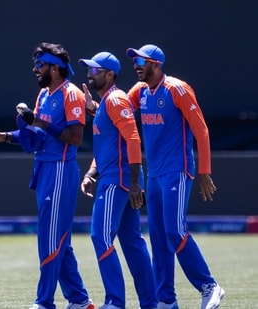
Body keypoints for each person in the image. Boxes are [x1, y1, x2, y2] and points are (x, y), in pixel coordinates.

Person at [0, 42, 94, 309]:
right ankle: (79, 300)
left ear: (56, 69)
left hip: (59, 170)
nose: (35, 69)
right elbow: (35, 137)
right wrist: (4, 137)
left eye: (40, 65)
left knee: (49, 236)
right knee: (59, 239)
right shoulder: (44, 95)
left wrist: (38, 121)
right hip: (44, 168)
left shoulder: (71, 94)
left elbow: (76, 138)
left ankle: (44, 302)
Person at [125, 44, 224, 309]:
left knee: (174, 230)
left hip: (177, 170)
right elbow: (118, 110)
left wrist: (204, 172)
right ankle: (166, 300)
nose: (136, 65)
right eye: (134, 60)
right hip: (155, 173)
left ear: (156, 64)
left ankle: (209, 286)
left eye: (141, 61)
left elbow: (201, 130)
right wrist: (93, 107)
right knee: (158, 237)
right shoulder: (140, 91)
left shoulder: (177, 89)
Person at [77, 52, 157, 309]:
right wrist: (91, 173)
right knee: (133, 243)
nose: (89, 73)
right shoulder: (106, 105)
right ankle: (150, 303)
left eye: (95, 70)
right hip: (114, 177)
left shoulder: (116, 98)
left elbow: (133, 140)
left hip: (118, 180)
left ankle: (115, 302)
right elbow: (108, 146)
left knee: (100, 236)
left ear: (109, 74)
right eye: (89, 69)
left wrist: (135, 183)